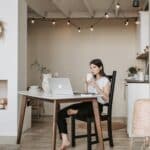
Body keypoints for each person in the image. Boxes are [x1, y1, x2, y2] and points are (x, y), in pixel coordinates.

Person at [57, 58, 111, 150]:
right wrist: (85, 84)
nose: (92, 70)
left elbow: (106, 98)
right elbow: (87, 94)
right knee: (59, 114)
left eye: (94, 67)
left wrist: (96, 86)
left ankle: (76, 111)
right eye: (91, 68)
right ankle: (65, 140)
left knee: (79, 110)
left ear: (100, 67)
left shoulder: (105, 80)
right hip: (86, 104)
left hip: (97, 106)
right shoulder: (91, 80)